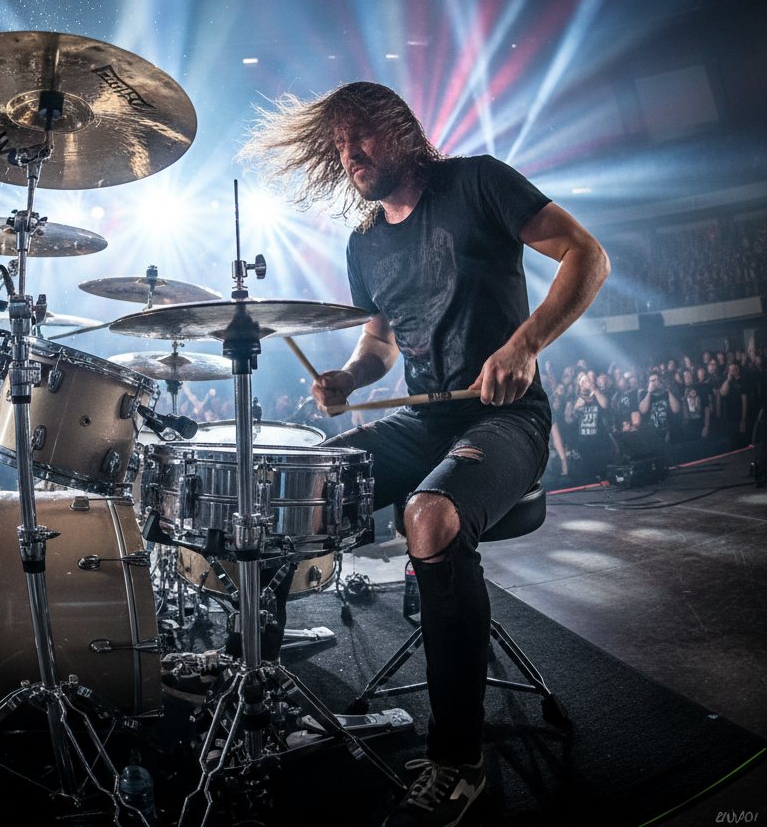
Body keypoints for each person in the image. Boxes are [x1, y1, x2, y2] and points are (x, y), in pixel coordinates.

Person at [243, 82, 609, 827]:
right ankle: (261, 706)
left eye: (360, 136)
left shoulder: (477, 181)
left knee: (432, 517)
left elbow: (587, 254)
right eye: (339, 145)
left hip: (507, 421)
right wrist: (348, 376)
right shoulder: (364, 241)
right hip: (423, 422)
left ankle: (458, 762)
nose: (349, 154)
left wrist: (524, 343)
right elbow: (380, 343)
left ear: (400, 129)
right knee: (291, 490)